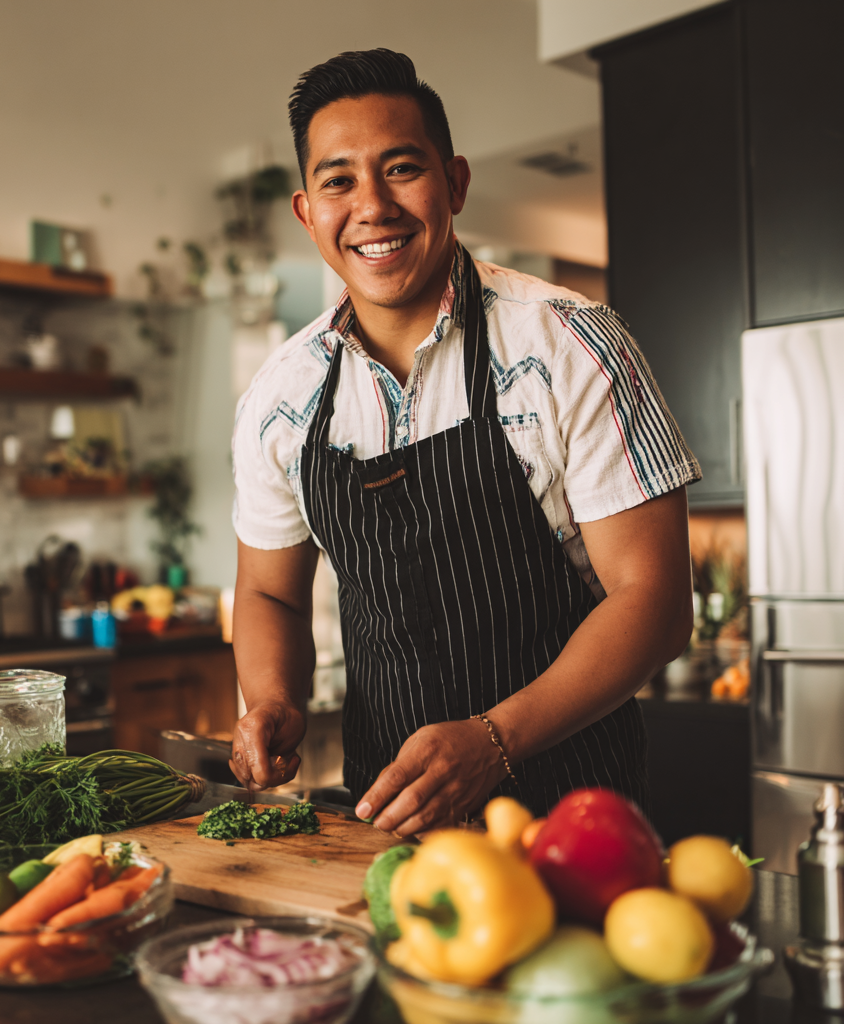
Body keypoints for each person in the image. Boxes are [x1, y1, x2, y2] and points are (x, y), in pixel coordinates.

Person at [228, 48, 698, 836]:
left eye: (401, 168)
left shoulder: (570, 346)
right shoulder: (282, 398)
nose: (372, 207)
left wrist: (492, 743)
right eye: (339, 180)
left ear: (456, 182)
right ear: (308, 211)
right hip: (387, 823)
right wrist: (274, 699)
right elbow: (269, 591)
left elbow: (654, 602)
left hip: (574, 817)